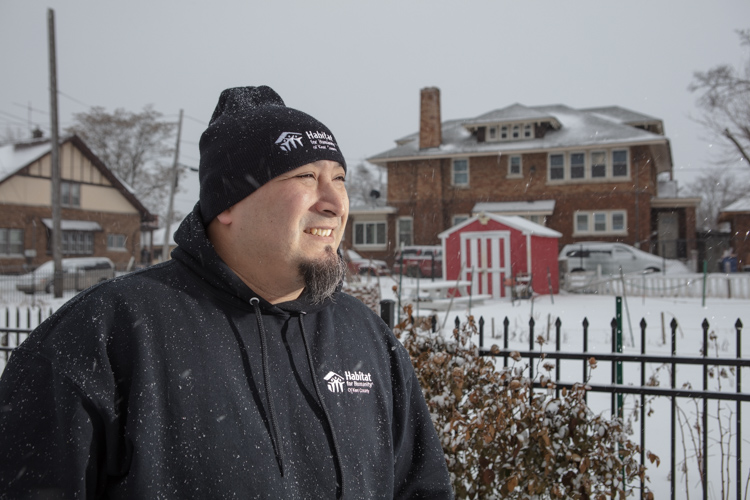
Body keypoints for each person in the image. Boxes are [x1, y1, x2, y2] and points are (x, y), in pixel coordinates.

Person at [0, 86, 453, 499]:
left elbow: (422, 489)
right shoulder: (107, 334)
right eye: (304, 177)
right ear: (229, 203)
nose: (334, 202)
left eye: (338, 178)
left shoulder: (366, 337)